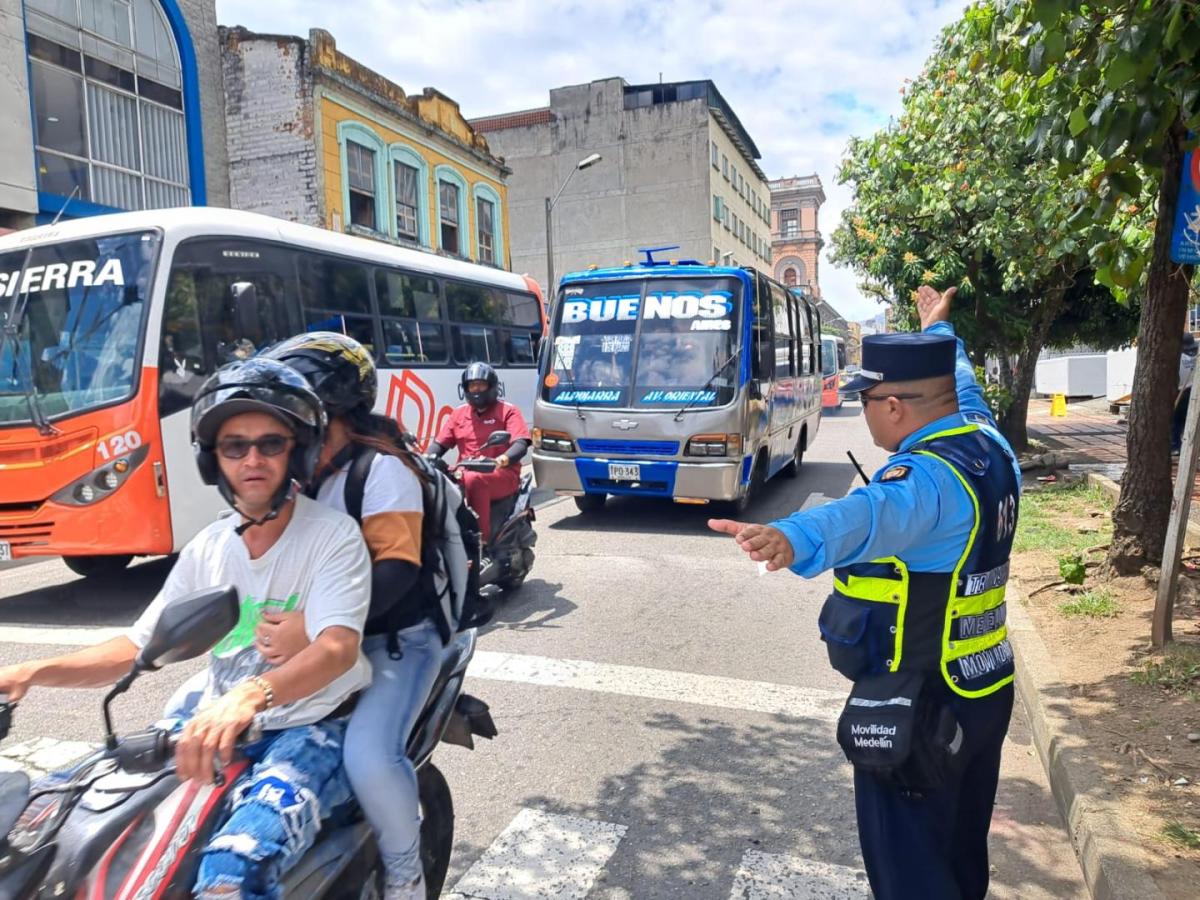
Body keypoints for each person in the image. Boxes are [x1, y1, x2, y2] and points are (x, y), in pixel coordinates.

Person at [0, 358, 373, 900]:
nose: (252, 459)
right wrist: (31, 672)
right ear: (212, 458)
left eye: (271, 443)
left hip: (311, 726)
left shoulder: (332, 536)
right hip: (214, 726)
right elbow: (138, 644)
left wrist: (251, 693)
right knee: (52, 818)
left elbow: (339, 648)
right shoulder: (210, 546)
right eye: (234, 446)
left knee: (231, 869)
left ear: (299, 450)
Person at [709, 285, 1021, 900]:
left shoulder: (925, 478)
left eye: (868, 400)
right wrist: (940, 332)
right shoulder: (989, 444)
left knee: (910, 872)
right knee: (959, 850)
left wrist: (791, 536)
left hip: (923, 700)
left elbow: (870, 514)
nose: (865, 412)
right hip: (984, 686)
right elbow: (963, 384)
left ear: (896, 408)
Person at [254, 331, 436, 900]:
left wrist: (313, 625)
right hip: (320, 642)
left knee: (367, 756)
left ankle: (405, 871)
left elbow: (398, 570)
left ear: (327, 410)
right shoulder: (298, 478)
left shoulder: (381, 471)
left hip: (397, 641)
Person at [427, 362, 530, 545]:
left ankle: (480, 544)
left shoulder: (507, 411)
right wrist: (422, 460)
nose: (476, 389)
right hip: (464, 472)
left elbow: (521, 443)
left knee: (475, 479)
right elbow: (439, 444)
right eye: (472, 385)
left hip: (502, 473)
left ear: (492, 386)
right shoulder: (458, 414)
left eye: (481, 385)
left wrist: (502, 459)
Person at [1172, 331, 1196, 455]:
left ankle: (1175, 446)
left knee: (1176, 420)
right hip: (1192, 391)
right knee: (1187, 420)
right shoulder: (1195, 356)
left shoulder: (1178, 357)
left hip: (1181, 391)